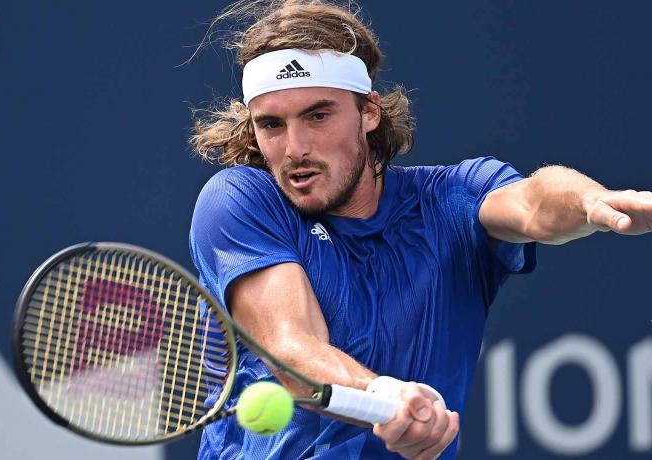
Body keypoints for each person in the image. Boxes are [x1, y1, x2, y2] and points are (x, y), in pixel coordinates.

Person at [188, 1, 652, 458]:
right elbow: (291, 350)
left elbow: (534, 203)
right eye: (272, 124)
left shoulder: (452, 199)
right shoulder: (238, 200)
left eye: (318, 116)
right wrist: (384, 397)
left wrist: (590, 202)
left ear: (369, 112)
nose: (294, 148)